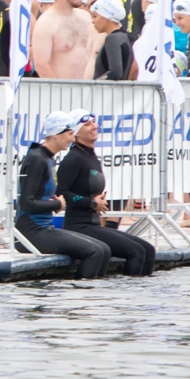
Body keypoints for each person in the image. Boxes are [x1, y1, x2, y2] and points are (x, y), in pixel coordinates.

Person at [57, 111, 156, 276]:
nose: (94, 126)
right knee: (136, 252)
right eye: (87, 124)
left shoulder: (90, 156)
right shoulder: (73, 158)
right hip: (79, 226)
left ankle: (139, 294)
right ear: (75, 132)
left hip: (93, 224)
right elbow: (62, 193)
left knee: (148, 250)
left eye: (94, 122)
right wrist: (91, 203)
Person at [16, 112, 111, 278]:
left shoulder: (47, 158)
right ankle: (78, 295)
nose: (72, 139)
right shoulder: (37, 159)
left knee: (104, 249)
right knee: (94, 252)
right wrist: (57, 205)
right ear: (55, 135)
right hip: (31, 233)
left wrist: (52, 202)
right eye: (69, 134)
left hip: (44, 228)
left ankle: (93, 296)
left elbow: (39, 197)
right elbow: (26, 203)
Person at [30, 0, 93, 79]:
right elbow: (41, 65)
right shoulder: (46, 23)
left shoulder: (86, 17)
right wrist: (59, 90)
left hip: (88, 89)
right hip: (62, 91)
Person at [90, 0, 135, 80]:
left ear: (106, 16)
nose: (92, 21)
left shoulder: (113, 39)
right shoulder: (124, 36)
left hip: (107, 92)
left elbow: (115, 72)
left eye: (95, 16)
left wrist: (95, 84)